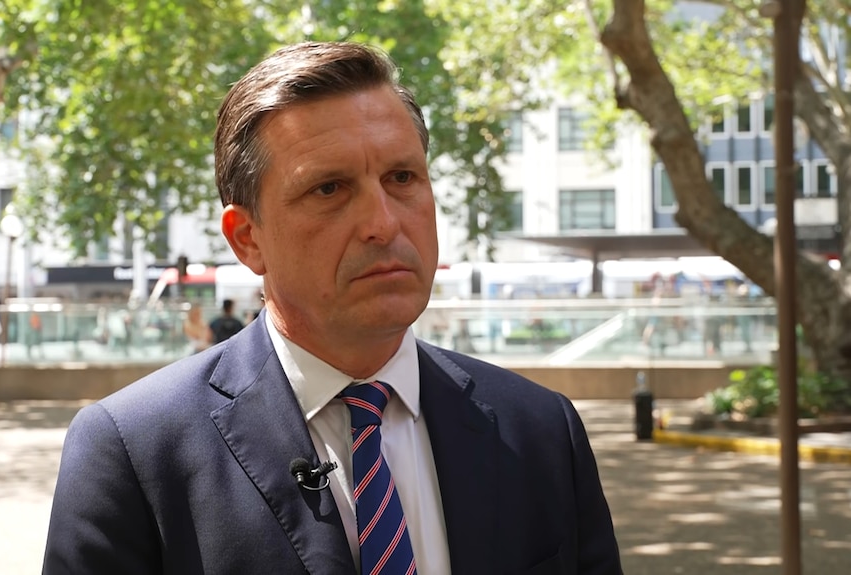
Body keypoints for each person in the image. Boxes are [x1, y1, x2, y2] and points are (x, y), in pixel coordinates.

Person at [44, 41, 622, 574]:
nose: (383, 222)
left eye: (402, 177)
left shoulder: (543, 430)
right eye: (329, 189)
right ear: (247, 238)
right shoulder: (133, 450)